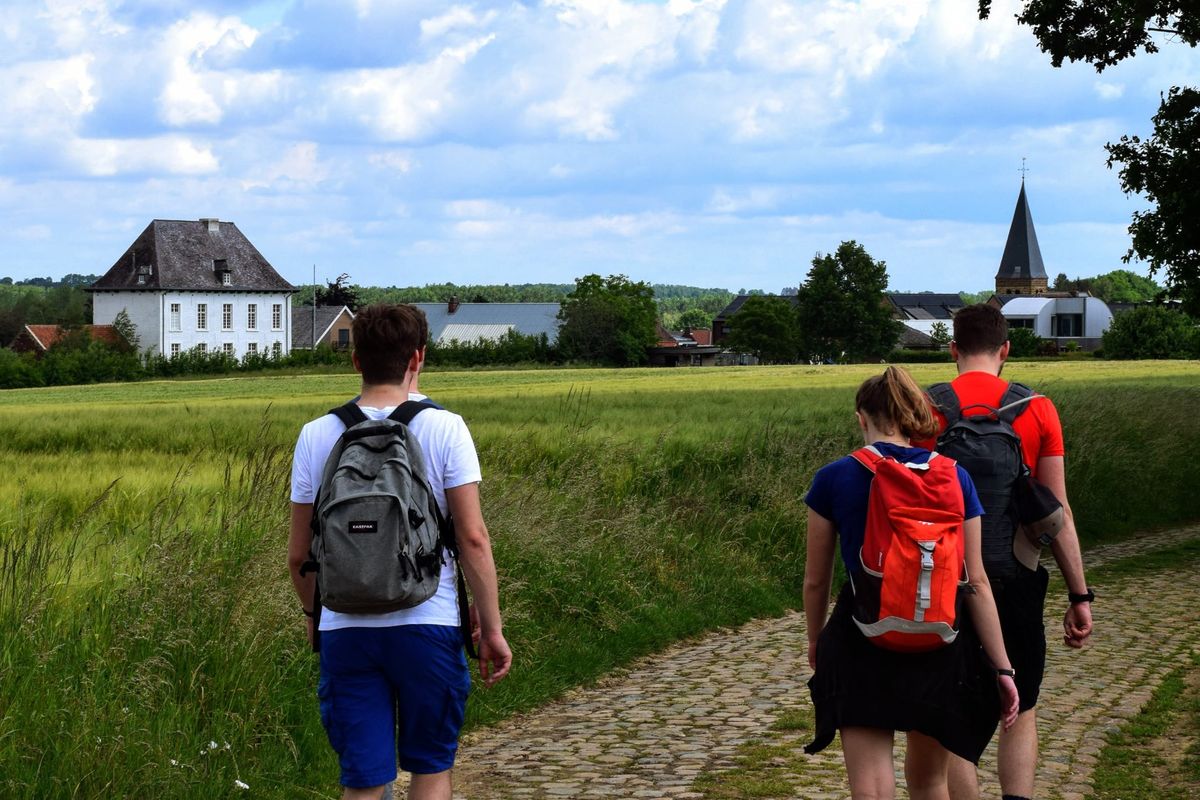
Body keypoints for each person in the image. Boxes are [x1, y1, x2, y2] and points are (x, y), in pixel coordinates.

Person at [288, 303, 512, 800]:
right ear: (418, 357)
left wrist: (313, 614)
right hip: (428, 622)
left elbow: (298, 554)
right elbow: (473, 538)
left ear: (355, 360)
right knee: (430, 769)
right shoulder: (446, 428)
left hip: (345, 629)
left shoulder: (316, 434)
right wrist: (490, 629)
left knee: (363, 782)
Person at [804, 366, 1019, 800]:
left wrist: (817, 642)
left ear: (861, 417)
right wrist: (1002, 666)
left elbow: (815, 580)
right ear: (911, 418)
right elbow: (974, 580)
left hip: (861, 635)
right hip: (937, 639)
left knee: (872, 788)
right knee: (930, 783)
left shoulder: (834, 477)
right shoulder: (956, 478)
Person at [918, 304, 1093, 800]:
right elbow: (1056, 511)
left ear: (952, 349)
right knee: (1023, 709)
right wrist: (1080, 594)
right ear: (1005, 350)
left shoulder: (923, 409)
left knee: (954, 717)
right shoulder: (1038, 408)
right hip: (1015, 576)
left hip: (945, 579)